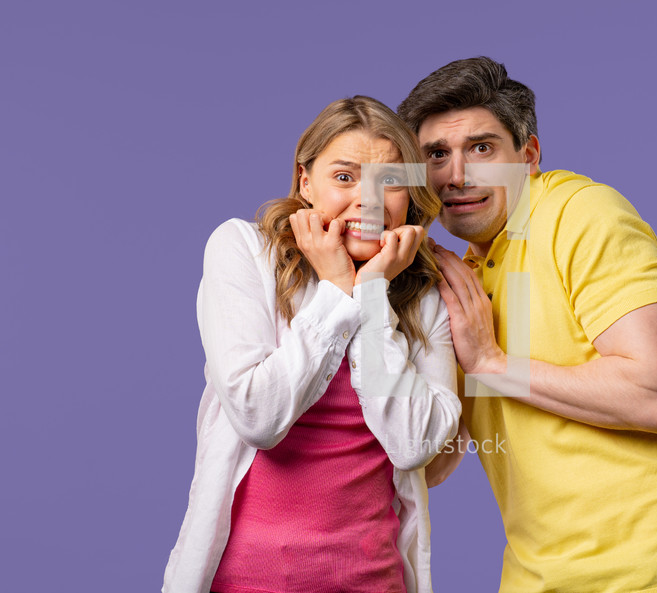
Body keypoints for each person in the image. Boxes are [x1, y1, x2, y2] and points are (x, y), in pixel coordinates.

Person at [398, 57, 657, 592]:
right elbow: (434, 463)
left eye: (481, 148)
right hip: (533, 580)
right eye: (437, 155)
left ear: (527, 155)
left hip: (647, 577)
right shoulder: (460, 277)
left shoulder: (582, 213)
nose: (457, 175)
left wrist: (492, 363)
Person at [162, 96, 461, 593]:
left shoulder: (425, 296)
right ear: (305, 183)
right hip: (248, 580)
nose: (367, 200)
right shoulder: (243, 252)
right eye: (344, 177)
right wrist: (336, 288)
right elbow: (258, 417)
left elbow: (413, 446)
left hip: (374, 580)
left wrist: (368, 293)